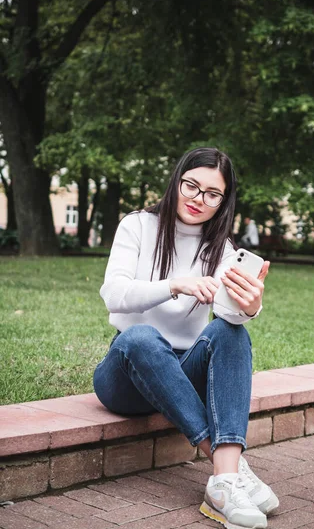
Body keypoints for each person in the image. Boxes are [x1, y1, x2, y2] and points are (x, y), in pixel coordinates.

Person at [93, 147, 279, 529]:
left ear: (224, 201)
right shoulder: (138, 225)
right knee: (142, 336)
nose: (198, 199)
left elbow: (228, 314)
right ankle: (229, 466)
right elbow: (113, 293)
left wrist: (251, 306)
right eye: (191, 186)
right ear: (177, 180)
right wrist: (176, 284)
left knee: (231, 331)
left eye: (212, 194)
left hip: (183, 371)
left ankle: (223, 484)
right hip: (126, 371)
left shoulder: (222, 249)